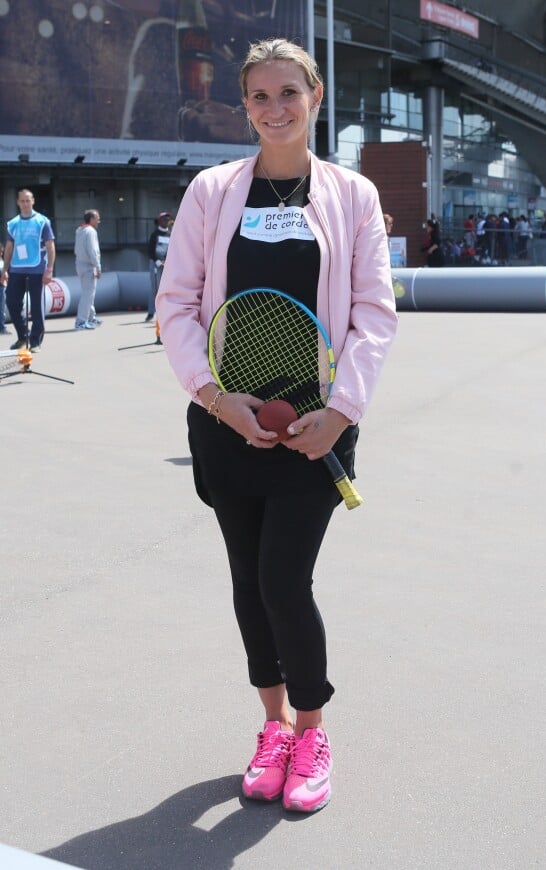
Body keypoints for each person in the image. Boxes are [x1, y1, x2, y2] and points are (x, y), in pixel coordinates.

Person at [156, 38, 398, 814]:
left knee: (283, 579)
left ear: (315, 96)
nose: (273, 108)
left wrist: (341, 413)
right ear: (245, 105)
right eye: (258, 96)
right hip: (230, 422)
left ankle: (313, 730)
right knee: (246, 585)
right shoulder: (212, 192)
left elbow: (372, 315)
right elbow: (178, 306)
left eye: (287, 92)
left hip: (316, 430)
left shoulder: (353, 196)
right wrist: (215, 397)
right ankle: (272, 728)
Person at [2, 188, 55, 352]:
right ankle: (22, 336)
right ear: (18, 202)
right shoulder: (13, 224)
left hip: (37, 268)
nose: (25, 204)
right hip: (16, 268)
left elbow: (50, 246)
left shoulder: (42, 221)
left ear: (33, 201)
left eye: (28, 200)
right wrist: (4, 269)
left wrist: (49, 269)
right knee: (11, 301)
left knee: (37, 306)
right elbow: (9, 248)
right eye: (22, 201)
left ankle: (35, 341)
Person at [74, 209, 102, 330]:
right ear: (91, 219)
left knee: (88, 293)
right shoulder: (91, 231)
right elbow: (93, 251)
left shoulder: (79, 230)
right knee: (88, 294)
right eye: (97, 218)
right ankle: (81, 321)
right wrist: (98, 266)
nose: (99, 221)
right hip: (89, 266)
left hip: (80, 264)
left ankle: (91, 318)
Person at [145, 212, 172, 322]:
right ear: (159, 221)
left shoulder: (170, 234)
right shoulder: (154, 234)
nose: (166, 221)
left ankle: (164, 313)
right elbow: (150, 250)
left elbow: (171, 249)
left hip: (166, 264)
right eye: (164, 219)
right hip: (156, 264)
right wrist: (157, 261)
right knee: (155, 289)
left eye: (167, 219)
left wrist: (166, 261)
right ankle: (151, 312)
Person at [0, 244, 10, 335]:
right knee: (1, 308)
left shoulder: (2, 261)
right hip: (1, 286)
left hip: (3, 286)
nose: (2, 253)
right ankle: (2, 327)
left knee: (2, 308)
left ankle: (2, 327)